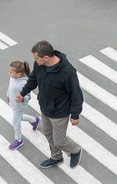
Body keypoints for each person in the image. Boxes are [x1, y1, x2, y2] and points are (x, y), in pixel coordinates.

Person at [15, 40, 83, 168]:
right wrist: (23, 93)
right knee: (48, 134)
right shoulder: (40, 65)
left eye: (36, 58)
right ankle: (56, 157)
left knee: (60, 141)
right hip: (45, 107)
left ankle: (75, 150)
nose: (34, 61)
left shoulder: (67, 72)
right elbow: (33, 80)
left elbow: (76, 94)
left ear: (46, 57)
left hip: (60, 112)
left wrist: (75, 114)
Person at [7, 60, 40, 150]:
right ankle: (34, 120)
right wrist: (7, 95)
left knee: (15, 122)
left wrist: (21, 98)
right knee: (19, 117)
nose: (9, 73)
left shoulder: (24, 83)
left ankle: (18, 140)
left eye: (11, 72)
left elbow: (28, 96)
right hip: (13, 103)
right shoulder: (13, 78)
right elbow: (10, 87)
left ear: (18, 74)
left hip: (19, 106)